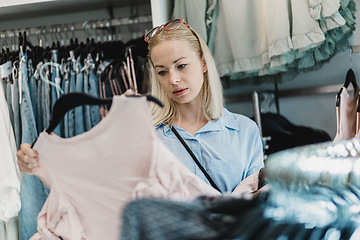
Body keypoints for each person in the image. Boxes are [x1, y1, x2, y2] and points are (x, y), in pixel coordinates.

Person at [17, 19, 264, 196]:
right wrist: (40, 169)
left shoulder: (244, 131)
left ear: (202, 63)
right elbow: (95, 189)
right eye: (162, 72)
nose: (173, 80)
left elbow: (258, 201)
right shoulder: (145, 134)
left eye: (181, 65)